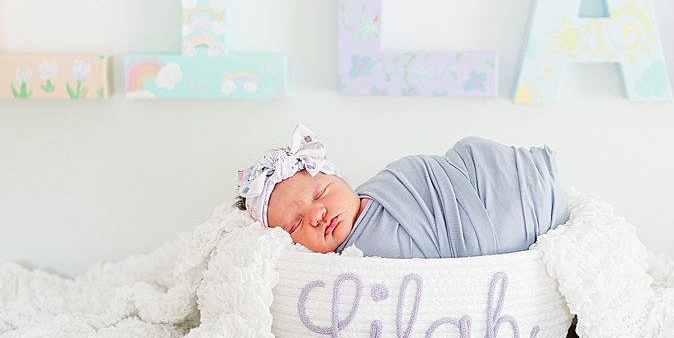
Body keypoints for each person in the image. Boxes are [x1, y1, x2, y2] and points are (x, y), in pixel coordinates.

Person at [236, 124, 568, 258]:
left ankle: (526, 180)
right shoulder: (342, 265)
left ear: (341, 180)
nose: (316, 216)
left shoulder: (386, 186)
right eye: (295, 225)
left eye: (321, 193)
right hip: (484, 231)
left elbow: (429, 176)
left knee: (470, 149)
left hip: (487, 187)